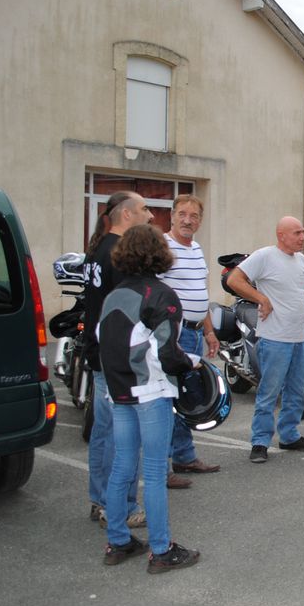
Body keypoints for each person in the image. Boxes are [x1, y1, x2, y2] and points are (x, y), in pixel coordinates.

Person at [98, 224, 201, 572]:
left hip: (119, 391)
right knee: (155, 472)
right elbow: (169, 354)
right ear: (160, 253)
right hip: (151, 391)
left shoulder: (114, 295)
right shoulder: (161, 294)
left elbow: (105, 341)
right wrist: (194, 362)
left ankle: (118, 542)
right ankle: (161, 550)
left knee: (122, 466)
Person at [225, 216, 304, 463]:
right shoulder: (264, 256)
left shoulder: (301, 261)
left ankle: (289, 436)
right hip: (274, 339)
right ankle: (260, 442)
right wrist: (261, 299)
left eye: (303, 232)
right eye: (297, 233)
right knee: (268, 392)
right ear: (282, 235)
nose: (302, 237)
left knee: (297, 391)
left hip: (300, 338)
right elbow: (234, 279)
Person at [84, 191, 152, 529]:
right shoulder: (118, 254)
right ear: (126, 215)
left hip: (99, 353)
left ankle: (100, 500)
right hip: (116, 356)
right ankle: (120, 506)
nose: (149, 215)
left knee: (104, 430)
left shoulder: (98, 249)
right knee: (120, 435)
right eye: (143, 209)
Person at [157, 194, 221, 486]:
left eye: (193, 216)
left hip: (195, 332)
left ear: (200, 220)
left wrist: (209, 332)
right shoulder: (161, 247)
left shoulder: (196, 248)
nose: (187, 220)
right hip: (174, 335)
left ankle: (183, 456)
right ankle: (162, 467)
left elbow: (200, 294)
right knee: (167, 400)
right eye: (182, 214)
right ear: (171, 216)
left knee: (185, 399)